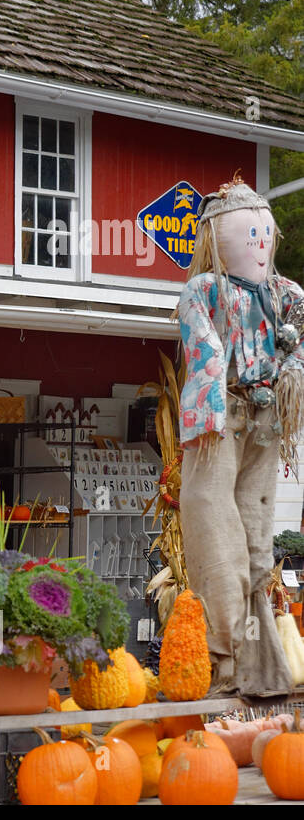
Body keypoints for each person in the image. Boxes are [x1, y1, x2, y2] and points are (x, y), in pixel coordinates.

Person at [177, 175, 302, 697]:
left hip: (264, 416)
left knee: (252, 527)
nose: (257, 243)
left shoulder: (286, 293)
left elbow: (298, 345)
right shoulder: (206, 288)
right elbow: (200, 341)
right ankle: (225, 651)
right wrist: (211, 391)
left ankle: (249, 654)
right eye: (246, 233)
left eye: (261, 233)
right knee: (213, 517)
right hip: (223, 413)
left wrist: (291, 373)